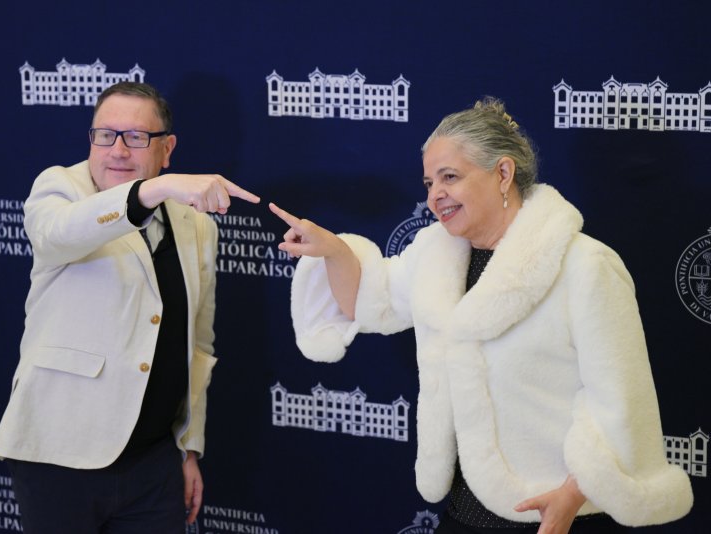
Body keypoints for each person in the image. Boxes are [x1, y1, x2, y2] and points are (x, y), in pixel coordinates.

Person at [269, 97, 693, 534]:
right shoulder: (434, 255)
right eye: (429, 182)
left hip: (553, 514)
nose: (434, 195)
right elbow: (369, 301)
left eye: (449, 177)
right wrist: (334, 250)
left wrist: (572, 495)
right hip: (463, 512)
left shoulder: (585, 266)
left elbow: (621, 399)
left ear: (503, 173)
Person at [0, 81, 260, 533]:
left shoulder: (196, 225)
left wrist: (188, 448)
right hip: (59, 456)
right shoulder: (60, 189)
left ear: (166, 149)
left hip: (154, 465)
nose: (117, 150)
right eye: (105, 135)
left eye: (136, 137)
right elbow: (59, 235)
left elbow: (197, 345)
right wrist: (153, 190)